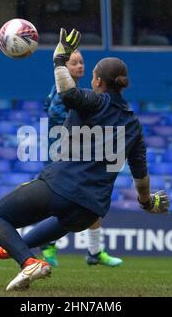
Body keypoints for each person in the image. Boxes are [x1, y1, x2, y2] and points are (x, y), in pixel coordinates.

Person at [0, 28, 170, 291]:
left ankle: (28, 262)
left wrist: (59, 60)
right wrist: (147, 203)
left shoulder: (95, 101)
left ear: (100, 82)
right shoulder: (133, 124)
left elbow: (67, 94)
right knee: (57, 223)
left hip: (61, 186)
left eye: (92, 77)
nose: (90, 80)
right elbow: (141, 175)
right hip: (89, 209)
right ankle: (13, 249)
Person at [41, 50, 123, 268]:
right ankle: (47, 242)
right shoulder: (65, 92)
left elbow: (45, 107)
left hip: (78, 153)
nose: (79, 66)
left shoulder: (74, 92)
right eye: (74, 63)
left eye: (81, 62)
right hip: (64, 155)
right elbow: (55, 115)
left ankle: (94, 251)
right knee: (75, 201)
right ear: (64, 68)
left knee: (92, 198)